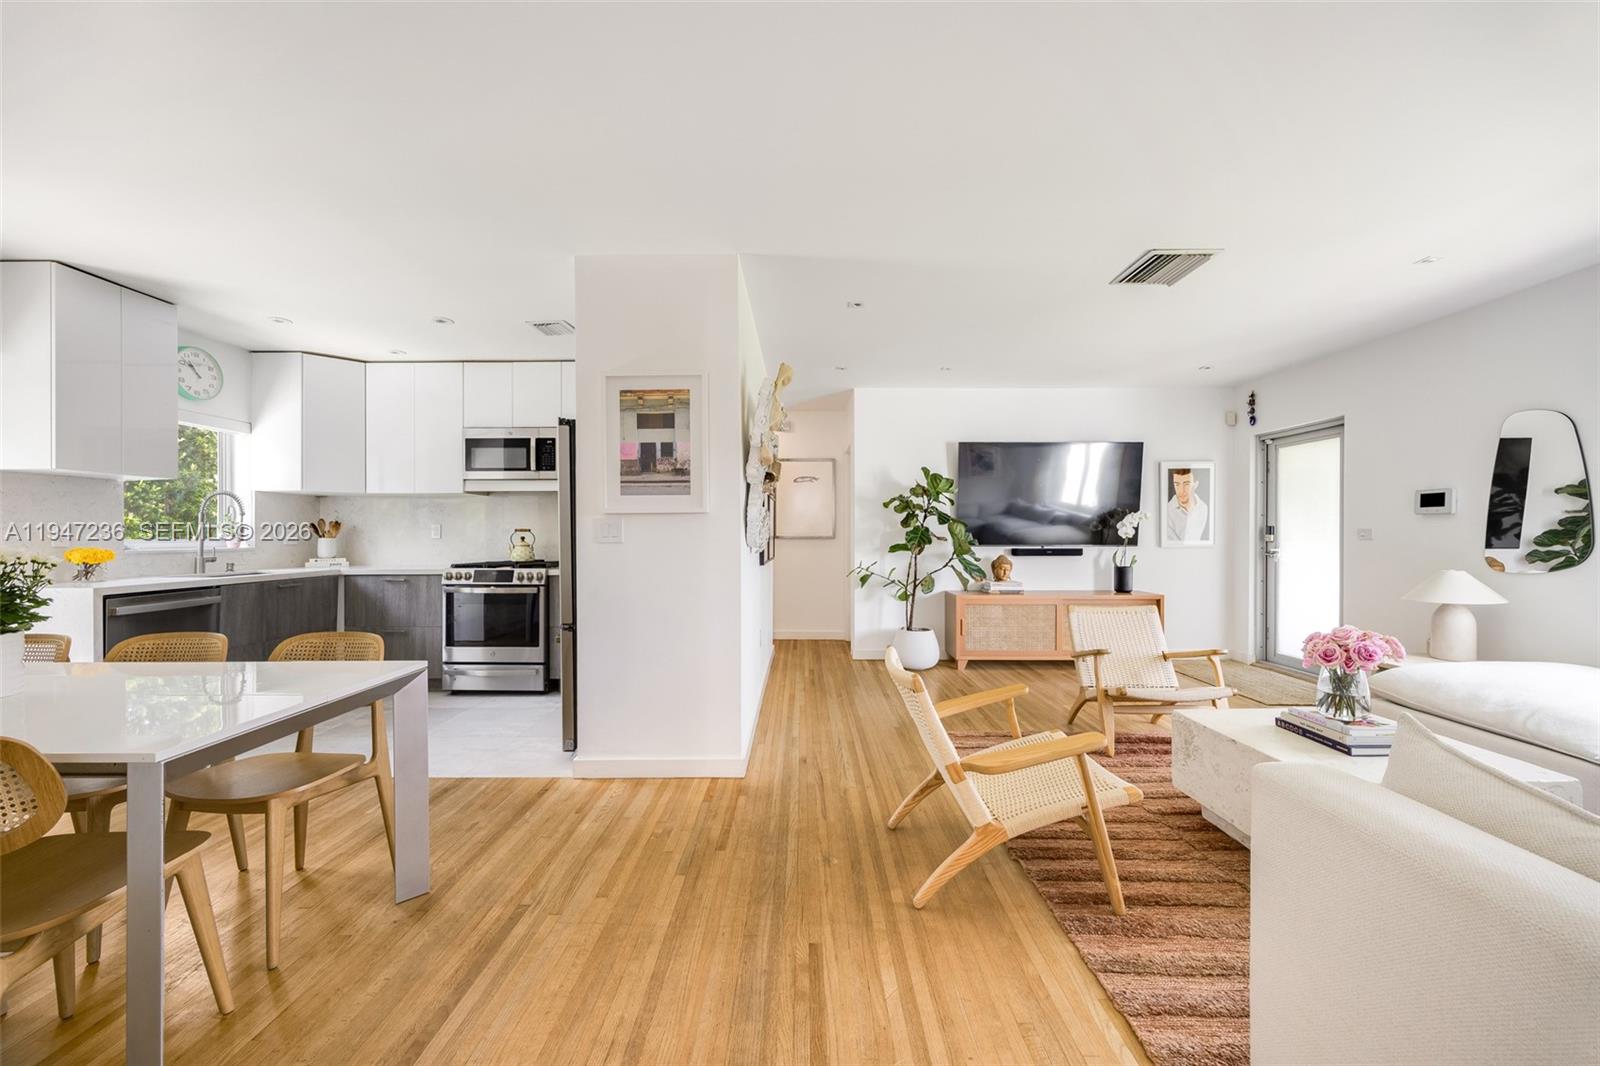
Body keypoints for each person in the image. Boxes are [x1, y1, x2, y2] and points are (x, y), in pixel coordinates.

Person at [1165, 467, 1210, 542]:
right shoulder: (1167, 512)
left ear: (1195, 485)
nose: (1181, 490)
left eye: (1186, 484)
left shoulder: (1203, 508)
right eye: (1177, 484)